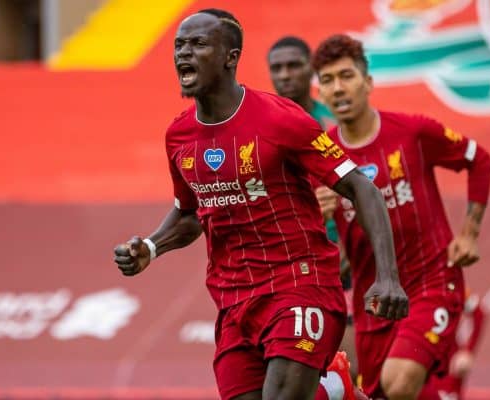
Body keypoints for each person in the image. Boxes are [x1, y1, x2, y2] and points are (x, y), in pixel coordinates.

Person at [113, 10, 408, 400]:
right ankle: (337, 391)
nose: (184, 53)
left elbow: (362, 188)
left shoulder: (281, 120)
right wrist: (150, 247)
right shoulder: (179, 135)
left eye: (198, 44)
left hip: (300, 285)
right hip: (233, 302)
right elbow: (189, 213)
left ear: (229, 57)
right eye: (179, 45)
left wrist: (387, 276)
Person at [311, 34, 490, 400]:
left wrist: (469, 234)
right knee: (379, 393)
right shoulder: (322, 155)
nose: (338, 88)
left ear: (368, 82)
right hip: (374, 300)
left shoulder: (413, 132)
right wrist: (316, 214)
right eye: (328, 80)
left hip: (432, 282)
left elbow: (479, 159)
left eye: (347, 76)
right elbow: (334, 251)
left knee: (399, 382)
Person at [267, 35, 358, 381]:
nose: (285, 75)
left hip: (341, 263)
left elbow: (366, 184)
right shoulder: (261, 126)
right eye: (277, 68)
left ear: (312, 71)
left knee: (346, 372)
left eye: (294, 65)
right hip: (286, 264)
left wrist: (351, 244)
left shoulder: (336, 123)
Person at [427, 285, 490, 400]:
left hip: (447, 360)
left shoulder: (450, 285)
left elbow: (478, 313)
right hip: (420, 355)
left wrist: (467, 352)